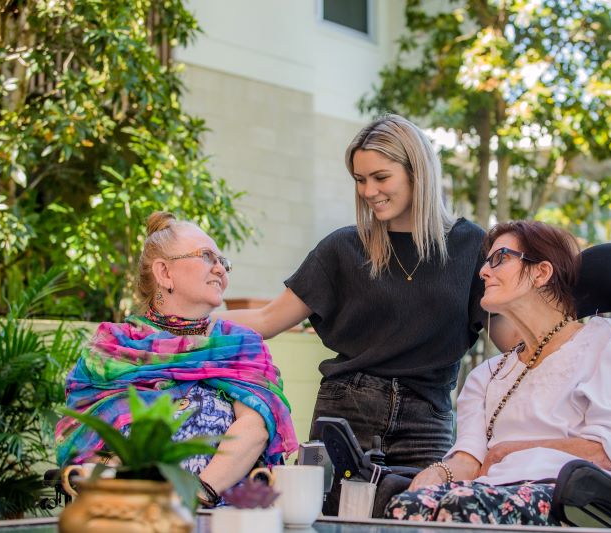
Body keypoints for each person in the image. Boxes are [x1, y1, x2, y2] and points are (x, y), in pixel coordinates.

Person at [215, 114, 514, 471]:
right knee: (329, 523)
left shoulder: (473, 246)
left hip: (428, 419)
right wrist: (174, 323)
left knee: (420, 521)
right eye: (360, 180)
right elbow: (267, 319)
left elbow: (510, 338)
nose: (368, 191)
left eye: (380, 177)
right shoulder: (342, 249)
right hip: (346, 412)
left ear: (417, 172)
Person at [384, 220, 611, 525]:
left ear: (541, 272)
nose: (483, 272)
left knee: (460, 509)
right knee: (404, 507)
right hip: (487, 492)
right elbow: (469, 460)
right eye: (485, 262)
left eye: (499, 258)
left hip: (568, 495)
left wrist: (510, 450)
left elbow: (605, 452)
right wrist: (439, 472)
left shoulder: (601, 338)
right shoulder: (487, 375)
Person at [55, 212, 298, 507]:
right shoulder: (112, 348)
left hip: (220, 517)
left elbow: (255, 427)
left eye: (224, 262)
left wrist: (195, 494)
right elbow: (86, 442)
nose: (221, 268)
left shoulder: (241, 345)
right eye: (207, 256)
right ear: (164, 273)